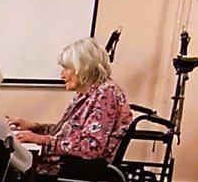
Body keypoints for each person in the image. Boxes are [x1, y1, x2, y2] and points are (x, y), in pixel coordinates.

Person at [11, 37, 134, 165]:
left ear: (83, 67)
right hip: (65, 163)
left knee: (9, 165)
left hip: (75, 168)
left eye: (66, 68)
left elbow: (91, 147)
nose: (62, 75)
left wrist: (43, 140)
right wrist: (35, 127)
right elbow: (68, 133)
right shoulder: (86, 94)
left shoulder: (106, 94)